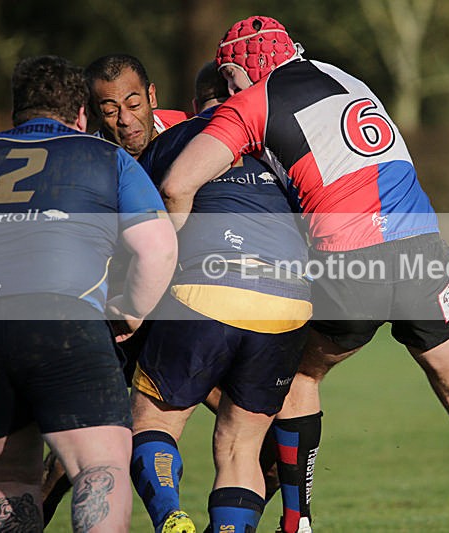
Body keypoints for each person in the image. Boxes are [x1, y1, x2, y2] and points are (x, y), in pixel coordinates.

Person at [159, 16, 449, 533]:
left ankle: (298, 522)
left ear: (244, 67)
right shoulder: (345, 76)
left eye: (230, 77)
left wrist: (168, 261)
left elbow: (177, 185)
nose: (229, 88)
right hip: (422, 251)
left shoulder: (252, 101)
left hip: (351, 261)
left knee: (297, 378)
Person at [0, 55, 177, 532]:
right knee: (100, 467)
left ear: (17, 110)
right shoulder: (106, 157)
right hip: (62, 317)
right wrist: (132, 311)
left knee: (7, 478)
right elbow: (157, 247)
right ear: (81, 113)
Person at [129, 62, 311, 533]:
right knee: (240, 449)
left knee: (154, 421)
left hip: (208, 287)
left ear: (196, 104)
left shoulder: (176, 138)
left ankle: (170, 516)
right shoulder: (280, 145)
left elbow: (143, 226)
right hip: (289, 299)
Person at [84, 53, 188, 160]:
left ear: (151, 96)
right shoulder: (87, 163)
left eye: (134, 105)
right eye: (110, 112)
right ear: (93, 114)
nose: (126, 120)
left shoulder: (188, 128)